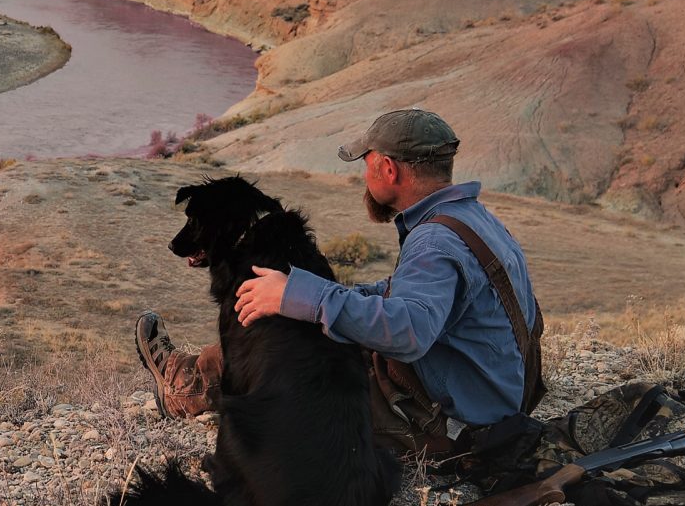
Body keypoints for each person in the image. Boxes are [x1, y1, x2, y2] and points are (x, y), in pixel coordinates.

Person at [135, 108, 544, 455]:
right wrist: (312, 295)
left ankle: (187, 386)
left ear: (388, 168)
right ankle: (197, 373)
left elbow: (410, 330)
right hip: (489, 388)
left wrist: (308, 300)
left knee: (290, 360)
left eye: (366, 164)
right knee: (314, 317)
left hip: (450, 418)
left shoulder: (434, 242)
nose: (364, 175)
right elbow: (416, 299)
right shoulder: (471, 218)